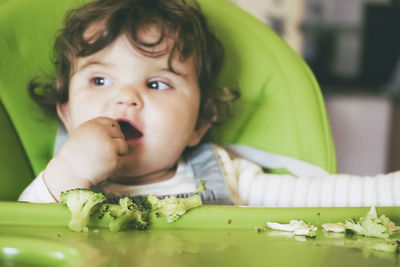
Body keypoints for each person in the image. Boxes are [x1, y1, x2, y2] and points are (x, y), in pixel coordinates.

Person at [19, 0, 400, 207]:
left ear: (199, 125)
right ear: (66, 113)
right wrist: (69, 169)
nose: (126, 97)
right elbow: (20, 237)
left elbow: (322, 197)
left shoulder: (225, 176)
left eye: (156, 82)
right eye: (100, 80)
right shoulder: (60, 186)